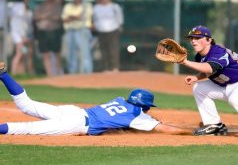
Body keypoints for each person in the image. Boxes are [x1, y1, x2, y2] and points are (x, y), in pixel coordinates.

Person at [0, 62, 191, 135]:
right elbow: (164, 128)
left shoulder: (119, 100)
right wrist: (194, 132)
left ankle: (3, 75)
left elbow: (121, 122)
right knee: (25, 128)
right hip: (76, 124)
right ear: (145, 107)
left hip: (72, 111)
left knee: (26, 104)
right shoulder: (137, 116)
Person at [181, 25, 238, 136]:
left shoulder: (218, 52)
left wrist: (185, 62)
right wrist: (197, 77)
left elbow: (209, 67)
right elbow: (208, 70)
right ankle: (214, 125)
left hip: (236, 84)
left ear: (208, 40)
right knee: (199, 88)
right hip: (226, 85)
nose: (193, 41)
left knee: (234, 98)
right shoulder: (200, 56)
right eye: (192, 38)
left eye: (197, 38)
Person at [62, 0, 93, 74]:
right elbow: (65, 19)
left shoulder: (87, 5)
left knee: (85, 53)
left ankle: (87, 73)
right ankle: (72, 73)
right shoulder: (68, 6)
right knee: (71, 54)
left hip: (83, 30)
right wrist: (77, 17)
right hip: (70, 31)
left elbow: (84, 17)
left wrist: (71, 17)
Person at [34, 0, 63, 76]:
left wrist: (44, 16)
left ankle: (58, 74)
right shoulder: (40, 6)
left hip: (55, 32)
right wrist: (49, 16)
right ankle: (49, 74)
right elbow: (36, 17)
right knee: (45, 53)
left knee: (56, 53)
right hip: (43, 32)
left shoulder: (57, 6)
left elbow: (57, 17)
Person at [92, 0, 124, 72]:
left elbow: (119, 18)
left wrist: (118, 27)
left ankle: (115, 67)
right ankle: (105, 68)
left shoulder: (114, 7)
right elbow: (94, 19)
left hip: (113, 30)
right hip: (101, 31)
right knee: (103, 50)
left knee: (113, 49)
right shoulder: (96, 7)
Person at [10, 0, 35, 75]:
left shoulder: (23, 6)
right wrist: (22, 36)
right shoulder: (19, 6)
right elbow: (19, 23)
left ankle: (20, 73)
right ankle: (13, 73)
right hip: (19, 34)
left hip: (22, 34)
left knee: (23, 53)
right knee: (19, 53)